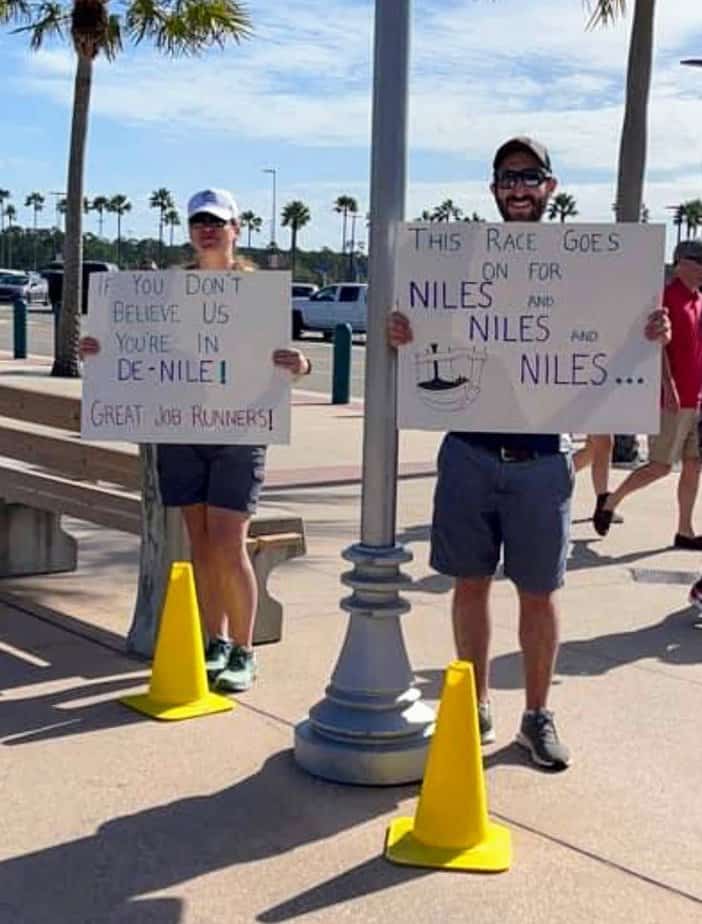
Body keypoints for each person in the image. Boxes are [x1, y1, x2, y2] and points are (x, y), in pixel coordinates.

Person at [388, 137, 671, 770]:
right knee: (469, 583)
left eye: (530, 177)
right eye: (507, 178)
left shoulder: (588, 267)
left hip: (543, 459)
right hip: (468, 451)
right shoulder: (457, 265)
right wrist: (403, 332)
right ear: (493, 189)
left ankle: (536, 716)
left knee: (539, 593)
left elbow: (623, 337)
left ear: (550, 187)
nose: (517, 188)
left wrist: (652, 333)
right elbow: (429, 335)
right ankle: (474, 702)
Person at [81, 188, 311, 693]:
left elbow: (290, 356)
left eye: (217, 222)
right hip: (181, 429)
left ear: (236, 228)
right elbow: (131, 348)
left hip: (240, 430)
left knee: (230, 544)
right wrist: (97, 349)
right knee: (202, 544)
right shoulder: (167, 291)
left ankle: (246, 650)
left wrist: (301, 364)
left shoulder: (257, 293)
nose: (207, 230)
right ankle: (216, 641)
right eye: (198, 222)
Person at [594, 239, 702, 545]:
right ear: (682, 263)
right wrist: (668, 386)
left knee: (694, 465)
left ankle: (685, 530)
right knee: (661, 466)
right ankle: (611, 501)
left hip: (696, 397)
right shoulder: (665, 299)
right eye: (700, 261)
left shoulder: (698, 299)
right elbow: (656, 349)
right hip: (673, 399)